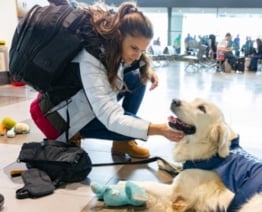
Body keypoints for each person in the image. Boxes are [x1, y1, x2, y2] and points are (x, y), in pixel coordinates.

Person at [30, 2, 185, 159]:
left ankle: (121, 143)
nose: (138, 55)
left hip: (80, 102)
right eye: (134, 48)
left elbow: (126, 67)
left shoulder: (110, 45)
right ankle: (79, 134)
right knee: (133, 128)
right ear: (119, 36)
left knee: (139, 79)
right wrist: (159, 129)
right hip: (58, 118)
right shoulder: (91, 58)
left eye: (142, 50)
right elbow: (111, 117)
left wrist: (147, 70)